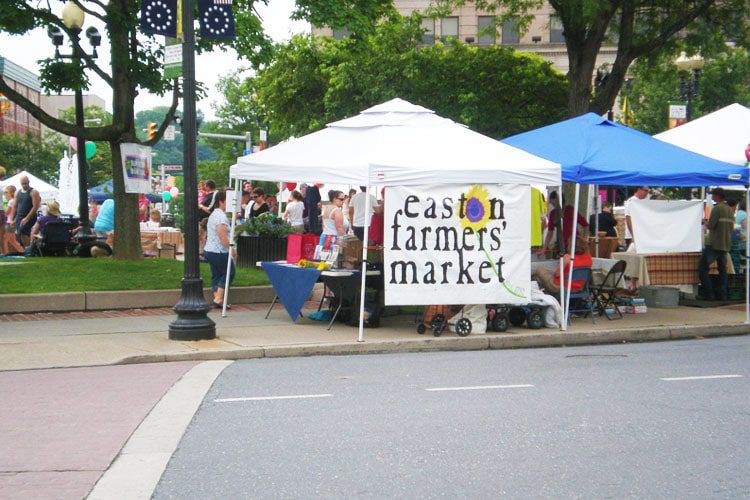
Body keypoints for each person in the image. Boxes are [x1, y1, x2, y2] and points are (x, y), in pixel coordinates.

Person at [698, 188, 734, 301]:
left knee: (703, 268)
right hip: (725, 244)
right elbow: (731, 227)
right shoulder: (729, 209)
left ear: (717, 196)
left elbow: (711, 226)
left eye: (713, 195)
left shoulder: (717, 208)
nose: (712, 196)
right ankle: (722, 295)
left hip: (714, 244)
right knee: (722, 270)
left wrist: (704, 222)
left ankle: (709, 294)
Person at [204, 191, 235, 308]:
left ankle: (218, 298)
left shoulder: (214, 214)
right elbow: (222, 235)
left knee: (216, 274)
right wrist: (231, 248)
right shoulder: (221, 216)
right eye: (228, 200)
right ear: (221, 201)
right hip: (219, 250)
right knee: (229, 272)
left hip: (210, 249)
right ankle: (218, 298)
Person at [14, 175, 41, 248]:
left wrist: (27, 218)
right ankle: (23, 249)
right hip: (19, 216)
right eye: (23, 183)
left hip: (30, 216)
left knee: (23, 231)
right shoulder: (17, 192)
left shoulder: (33, 192)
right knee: (18, 234)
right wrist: (13, 218)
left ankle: (28, 249)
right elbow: (15, 206)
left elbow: (35, 206)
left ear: (29, 182)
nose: (24, 185)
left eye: (26, 183)